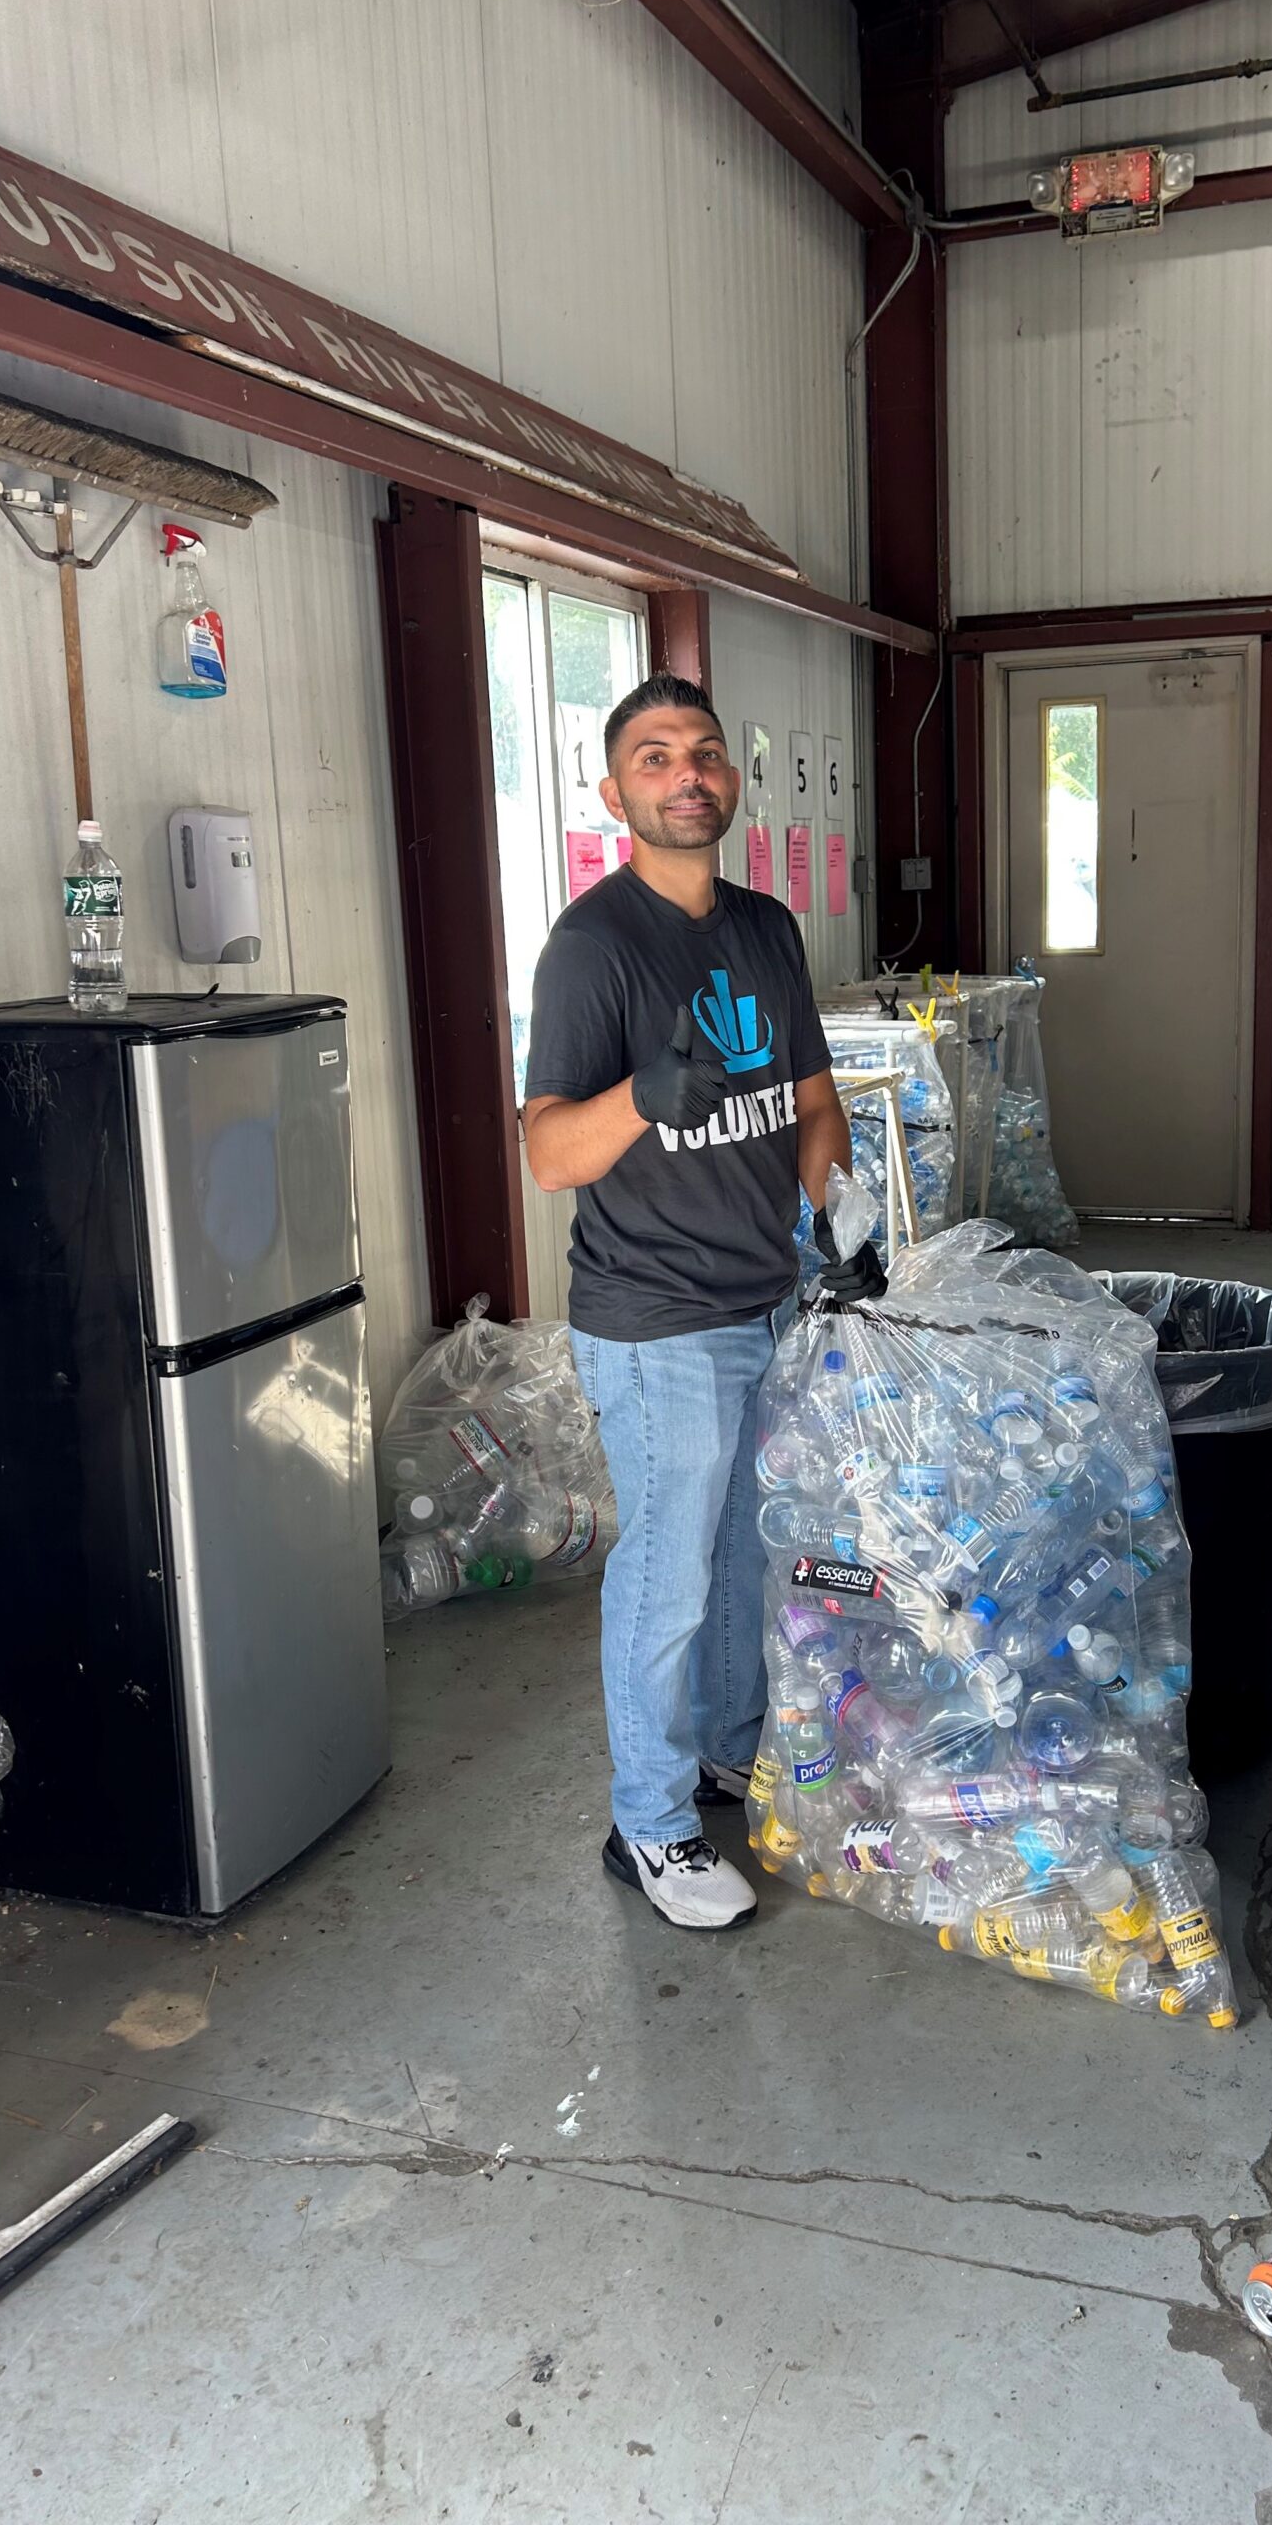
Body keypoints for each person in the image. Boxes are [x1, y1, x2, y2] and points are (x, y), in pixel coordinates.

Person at [524, 673, 879, 1930]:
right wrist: (642, 1096)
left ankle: (727, 1756)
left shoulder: (768, 929)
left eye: (708, 754)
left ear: (732, 781)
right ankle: (652, 1823)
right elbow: (551, 1152)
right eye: (658, 756)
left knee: (743, 1557)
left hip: (766, 1294)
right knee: (669, 1574)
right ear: (615, 790)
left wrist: (838, 1212)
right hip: (654, 1316)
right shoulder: (594, 948)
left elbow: (814, 1098)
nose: (689, 774)